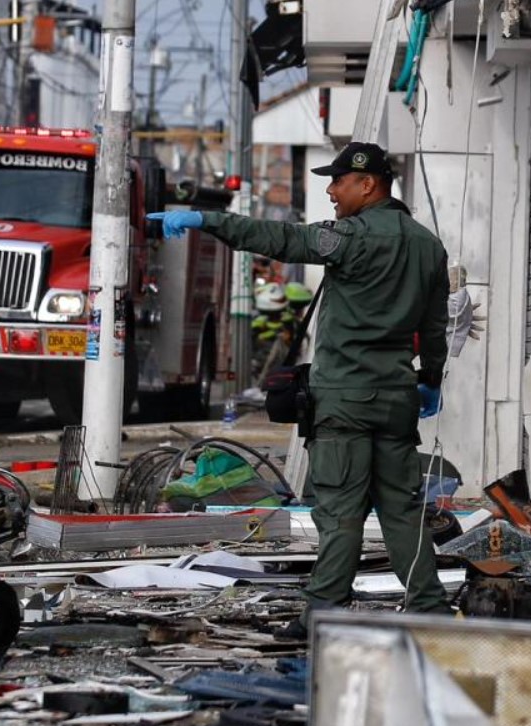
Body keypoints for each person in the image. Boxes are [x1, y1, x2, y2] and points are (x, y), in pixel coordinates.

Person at [148, 142, 452, 637]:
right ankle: (432, 610)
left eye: (338, 182)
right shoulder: (428, 246)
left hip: (344, 401)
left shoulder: (348, 238)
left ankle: (323, 615)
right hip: (397, 399)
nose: (331, 191)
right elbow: (436, 326)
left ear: (367, 184)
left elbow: (279, 238)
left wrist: (208, 220)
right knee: (402, 511)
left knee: (340, 512)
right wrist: (431, 380)